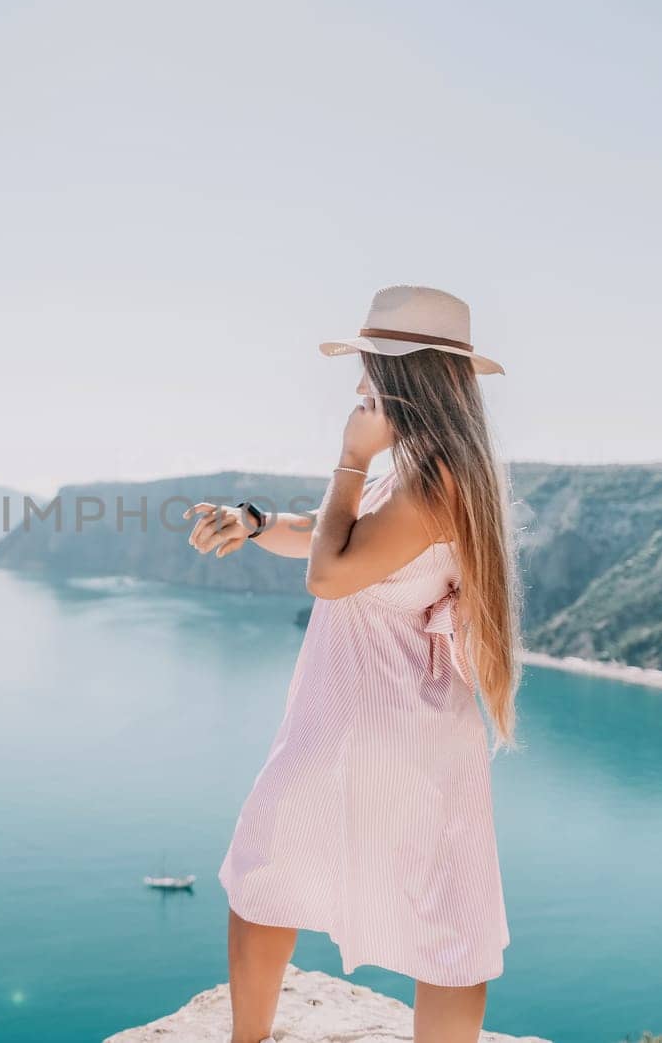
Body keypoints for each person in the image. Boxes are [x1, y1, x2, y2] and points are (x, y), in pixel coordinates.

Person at [182, 285, 522, 1043]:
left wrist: (346, 456)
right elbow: (332, 536)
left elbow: (330, 573)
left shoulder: (431, 479)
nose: (361, 381)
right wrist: (257, 522)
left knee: (262, 871)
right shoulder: (434, 469)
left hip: (363, 725)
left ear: (406, 375)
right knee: (448, 918)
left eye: (372, 366)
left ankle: (248, 1040)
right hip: (419, 729)